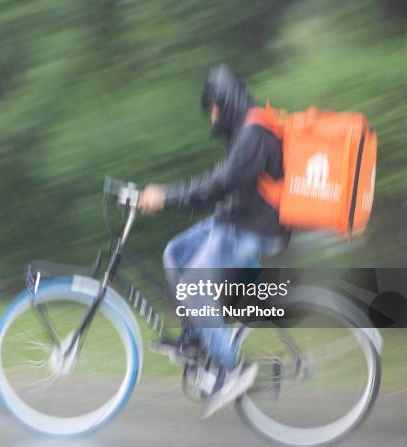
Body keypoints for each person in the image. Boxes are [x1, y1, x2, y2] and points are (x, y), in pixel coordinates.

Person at [137, 64, 290, 417]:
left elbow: (218, 184)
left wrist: (167, 196)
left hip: (255, 228)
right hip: (236, 219)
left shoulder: (254, 134)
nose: (212, 119)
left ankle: (233, 370)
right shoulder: (245, 130)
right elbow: (226, 188)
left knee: (193, 287)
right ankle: (196, 338)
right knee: (176, 252)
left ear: (224, 101)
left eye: (214, 110)